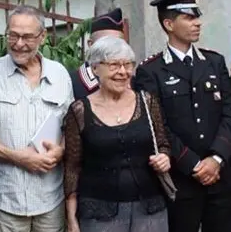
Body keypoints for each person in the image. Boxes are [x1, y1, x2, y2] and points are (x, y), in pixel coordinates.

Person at [133, 0, 231, 232]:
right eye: (189, 17)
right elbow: (158, 126)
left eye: (197, 17)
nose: (197, 23)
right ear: (169, 24)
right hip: (182, 179)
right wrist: (194, 165)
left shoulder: (214, 62)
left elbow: (230, 113)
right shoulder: (150, 71)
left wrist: (215, 159)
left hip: (220, 176)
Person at [0, 5, 74, 232]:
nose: (19, 44)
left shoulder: (60, 74)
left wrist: (60, 151)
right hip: (6, 197)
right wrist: (18, 157)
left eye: (27, 36)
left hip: (50, 197)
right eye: (13, 35)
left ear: (43, 36)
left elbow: (72, 126)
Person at [64, 36, 173, 232]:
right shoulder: (79, 110)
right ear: (95, 68)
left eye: (128, 65)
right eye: (114, 65)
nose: (123, 72)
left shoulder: (147, 101)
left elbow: (163, 142)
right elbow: (73, 166)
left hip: (150, 209)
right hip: (99, 213)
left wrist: (164, 157)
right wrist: (71, 217)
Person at [70, 8, 126, 100]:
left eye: (119, 43)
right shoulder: (71, 83)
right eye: (107, 43)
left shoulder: (130, 82)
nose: (114, 49)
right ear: (91, 45)